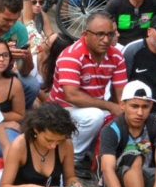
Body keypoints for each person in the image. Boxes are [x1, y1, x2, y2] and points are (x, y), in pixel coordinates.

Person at [48, 11, 128, 160]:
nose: (106, 40)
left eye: (110, 34)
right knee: (95, 116)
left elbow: (121, 92)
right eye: (100, 34)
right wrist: (110, 106)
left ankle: (97, 156)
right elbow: (71, 95)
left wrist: (123, 109)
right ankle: (73, 158)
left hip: (93, 106)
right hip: (62, 109)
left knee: (125, 116)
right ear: (85, 34)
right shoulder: (71, 55)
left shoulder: (116, 55)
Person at [0, 102, 82, 187]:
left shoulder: (66, 144)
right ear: (36, 129)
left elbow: (70, 177)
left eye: (59, 141)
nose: (53, 146)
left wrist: (74, 185)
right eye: (49, 140)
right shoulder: (20, 144)